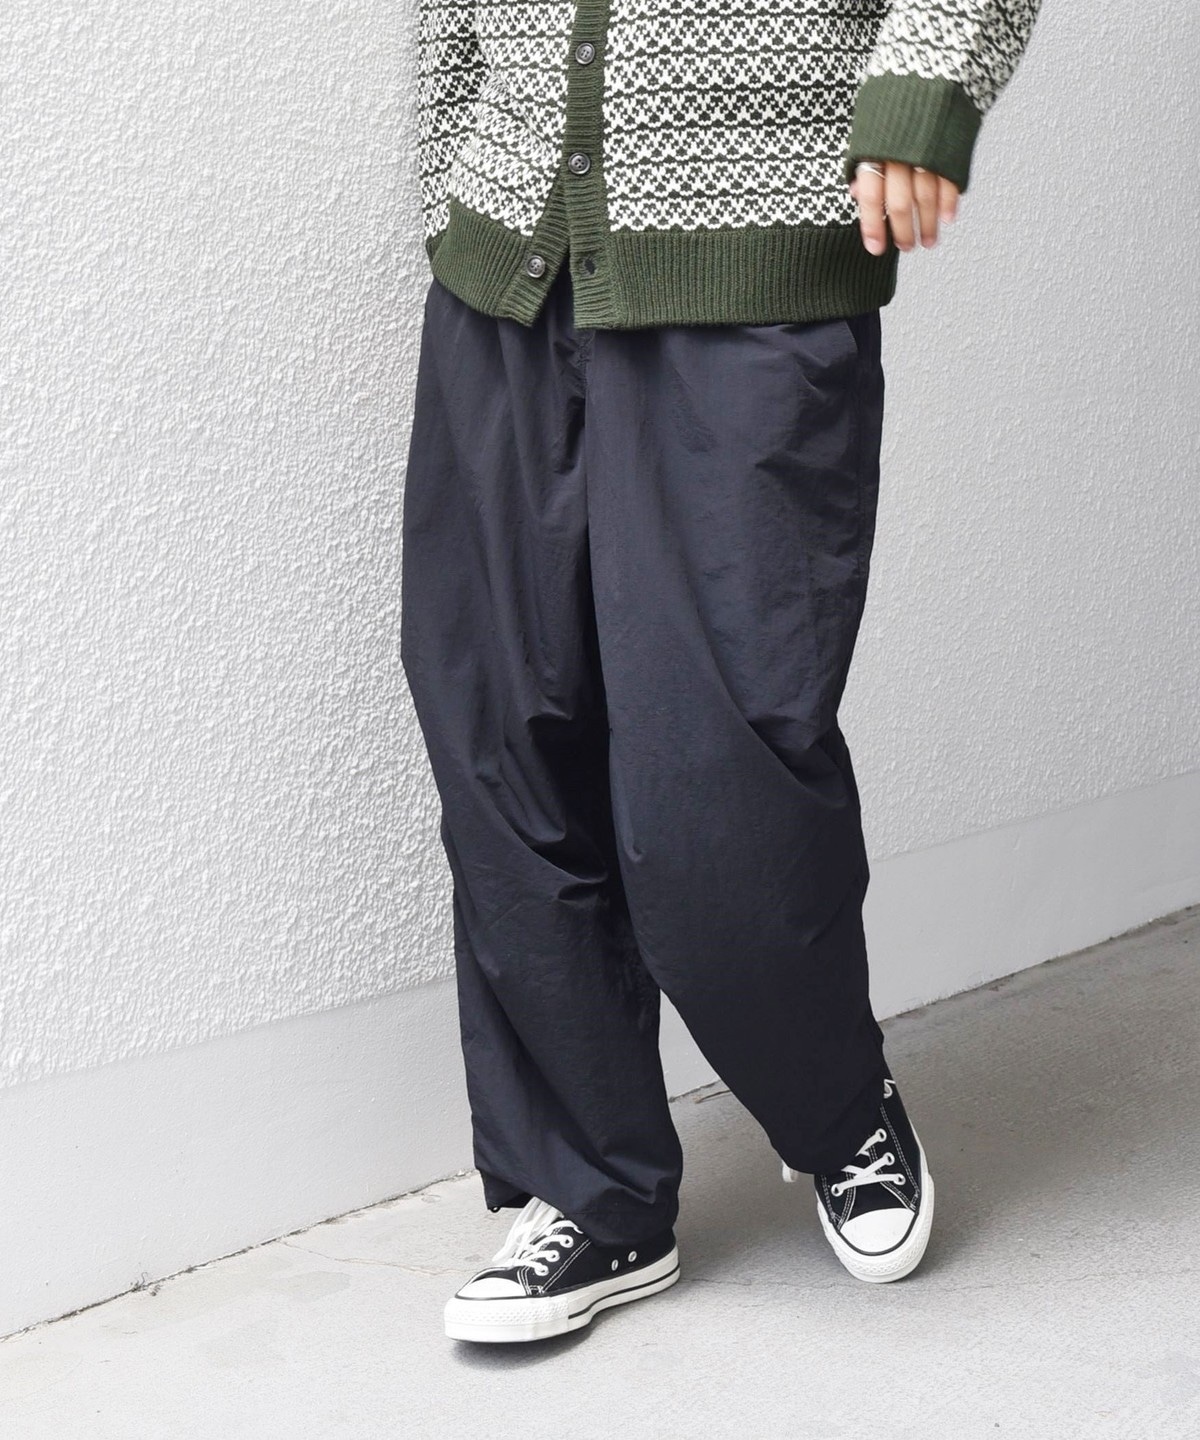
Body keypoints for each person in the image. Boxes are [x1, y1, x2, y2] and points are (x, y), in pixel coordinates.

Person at [400, 0, 1042, 1344]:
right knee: (502, 738)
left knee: (715, 769)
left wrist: (919, 98)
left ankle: (836, 1106)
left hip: (748, 260)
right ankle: (597, 1197)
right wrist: (454, 186)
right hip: (505, 270)